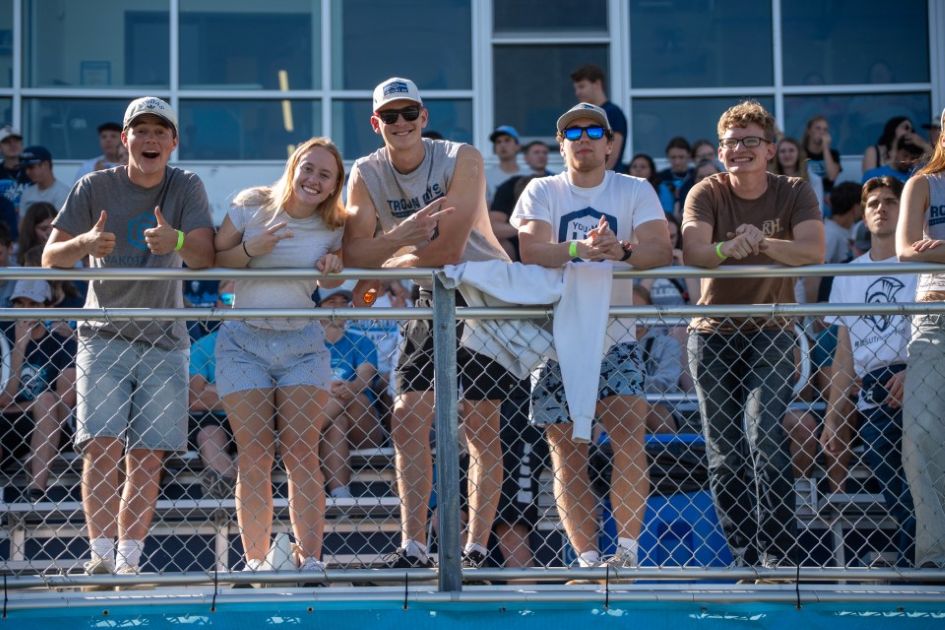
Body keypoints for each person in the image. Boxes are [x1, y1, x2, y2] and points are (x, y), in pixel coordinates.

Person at [343, 76, 516, 570]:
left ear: (424, 117)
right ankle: (414, 546)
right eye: (389, 116)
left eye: (408, 113)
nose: (400, 123)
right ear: (376, 123)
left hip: (482, 295)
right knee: (407, 421)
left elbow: (450, 249)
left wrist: (386, 254)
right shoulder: (366, 171)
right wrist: (391, 246)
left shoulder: (463, 157)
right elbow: (353, 254)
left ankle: (476, 549)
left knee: (480, 429)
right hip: (427, 296)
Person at [42, 96, 215, 576]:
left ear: (173, 142)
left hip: (164, 339)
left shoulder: (187, 184)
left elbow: (205, 256)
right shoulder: (93, 185)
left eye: (160, 131)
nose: (150, 139)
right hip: (103, 335)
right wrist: (84, 243)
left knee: (146, 456)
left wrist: (176, 240)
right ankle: (100, 558)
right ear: (125, 139)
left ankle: (128, 564)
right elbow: (50, 258)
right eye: (141, 130)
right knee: (100, 447)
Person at [511, 102, 671, 571]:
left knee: (628, 436)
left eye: (594, 131)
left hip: (615, 337)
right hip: (555, 339)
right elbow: (531, 250)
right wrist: (582, 248)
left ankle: (627, 555)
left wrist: (620, 250)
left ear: (610, 144)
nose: (584, 138)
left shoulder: (634, 188)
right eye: (573, 132)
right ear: (561, 145)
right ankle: (587, 560)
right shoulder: (542, 188)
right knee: (566, 452)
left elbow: (661, 249)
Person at [682, 100, 824, 569]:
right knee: (724, 452)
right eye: (730, 142)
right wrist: (728, 247)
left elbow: (812, 251)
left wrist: (761, 242)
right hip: (713, 334)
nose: (738, 149)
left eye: (749, 141)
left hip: (772, 330)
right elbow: (695, 252)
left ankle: (778, 554)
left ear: (769, 150)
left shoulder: (794, 190)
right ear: (720, 150)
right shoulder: (706, 191)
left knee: (764, 434)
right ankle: (744, 555)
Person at [213, 136, 347, 576]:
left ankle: (311, 561)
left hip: (302, 344)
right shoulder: (250, 204)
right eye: (308, 168)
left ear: (334, 186)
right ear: (293, 167)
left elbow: (332, 283)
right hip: (243, 343)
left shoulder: (336, 224)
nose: (314, 179)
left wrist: (333, 271)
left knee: (301, 454)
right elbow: (213, 261)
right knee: (254, 455)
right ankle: (255, 563)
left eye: (325, 175)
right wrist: (251, 249)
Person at [821, 176, 916, 567]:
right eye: (873, 202)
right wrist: (833, 416)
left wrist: (915, 370)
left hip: (921, 377)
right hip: (873, 389)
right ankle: (921, 564)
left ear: (905, 209)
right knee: (895, 488)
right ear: (862, 212)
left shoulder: (924, 263)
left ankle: (919, 566)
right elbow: (844, 354)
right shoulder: (848, 275)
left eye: (891, 201)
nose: (881, 208)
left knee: (923, 483)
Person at [895, 106, 945, 569]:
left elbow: (926, 248)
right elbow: (907, 249)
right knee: (922, 435)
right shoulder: (924, 183)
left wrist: (940, 248)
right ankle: (935, 555)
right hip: (934, 316)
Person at [0, 280, 76, 501]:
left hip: (51, 423)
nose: (25, 310)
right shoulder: (4, 339)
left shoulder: (62, 342)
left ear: (47, 307)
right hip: (10, 420)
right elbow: (4, 399)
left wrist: (36, 405)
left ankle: (36, 491)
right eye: (20, 303)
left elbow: (65, 400)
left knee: (47, 400)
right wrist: (20, 347)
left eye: (33, 304)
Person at [318, 284, 385, 500]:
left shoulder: (361, 341)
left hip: (362, 426)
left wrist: (350, 387)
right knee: (337, 423)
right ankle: (342, 496)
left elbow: (366, 376)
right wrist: (327, 388)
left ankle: (303, 433)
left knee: (353, 397)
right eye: (331, 303)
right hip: (329, 421)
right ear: (317, 308)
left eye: (343, 303)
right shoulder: (307, 344)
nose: (339, 307)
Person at [187, 281, 237, 500]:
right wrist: (246, 394)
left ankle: (229, 496)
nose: (233, 305)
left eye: (239, 300)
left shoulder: (266, 344)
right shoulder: (203, 345)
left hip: (257, 418)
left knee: (257, 443)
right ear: (218, 304)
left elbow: (273, 396)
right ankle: (227, 498)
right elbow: (195, 399)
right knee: (209, 436)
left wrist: (214, 389)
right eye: (228, 299)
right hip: (213, 419)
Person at [571, 64, 627, 171]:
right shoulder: (585, 114)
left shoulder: (613, 112)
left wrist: (596, 177)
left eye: (581, 87)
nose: (577, 93)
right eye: (576, 88)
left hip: (608, 177)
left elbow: (612, 153)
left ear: (597, 84)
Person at [769, 137, 824, 210]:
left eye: (791, 150)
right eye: (782, 151)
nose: (787, 154)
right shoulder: (769, 180)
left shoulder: (814, 180)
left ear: (799, 154)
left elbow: (817, 209)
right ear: (777, 156)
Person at [863, 116, 930, 173]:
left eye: (911, 129)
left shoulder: (910, 152)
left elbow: (926, 168)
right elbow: (868, 177)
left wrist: (924, 145)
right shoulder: (874, 151)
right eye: (906, 128)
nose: (909, 131)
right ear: (893, 128)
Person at [19, 146, 71, 212]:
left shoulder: (63, 193)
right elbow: (22, 218)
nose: (27, 172)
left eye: (31, 167)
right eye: (25, 168)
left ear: (46, 165)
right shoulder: (27, 193)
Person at [800, 116, 842, 195]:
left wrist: (825, 147)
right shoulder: (800, 152)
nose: (822, 132)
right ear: (809, 131)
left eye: (825, 129)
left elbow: (832, 177)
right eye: (818, 128)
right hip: (806, 194)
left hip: (827, 196)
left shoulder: (833, 154)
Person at [485, 125, 523, 204]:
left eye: (507, 140)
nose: (502, 145)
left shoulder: (529, 176)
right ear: (495, 148)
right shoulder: (485, 176)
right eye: (498, 142)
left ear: (517, 146)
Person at [656, 136, 692, 217]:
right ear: (668, 157)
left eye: (681, 157)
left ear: (689, 156)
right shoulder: (660, 177)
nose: (677, 162)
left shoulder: (696, 175)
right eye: (673, 157)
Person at [0, 126, 29, 221]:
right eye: (7, 142)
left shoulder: (32, 170)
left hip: (29, 222)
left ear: (21, 144)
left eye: (16, 141)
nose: (12, 145)